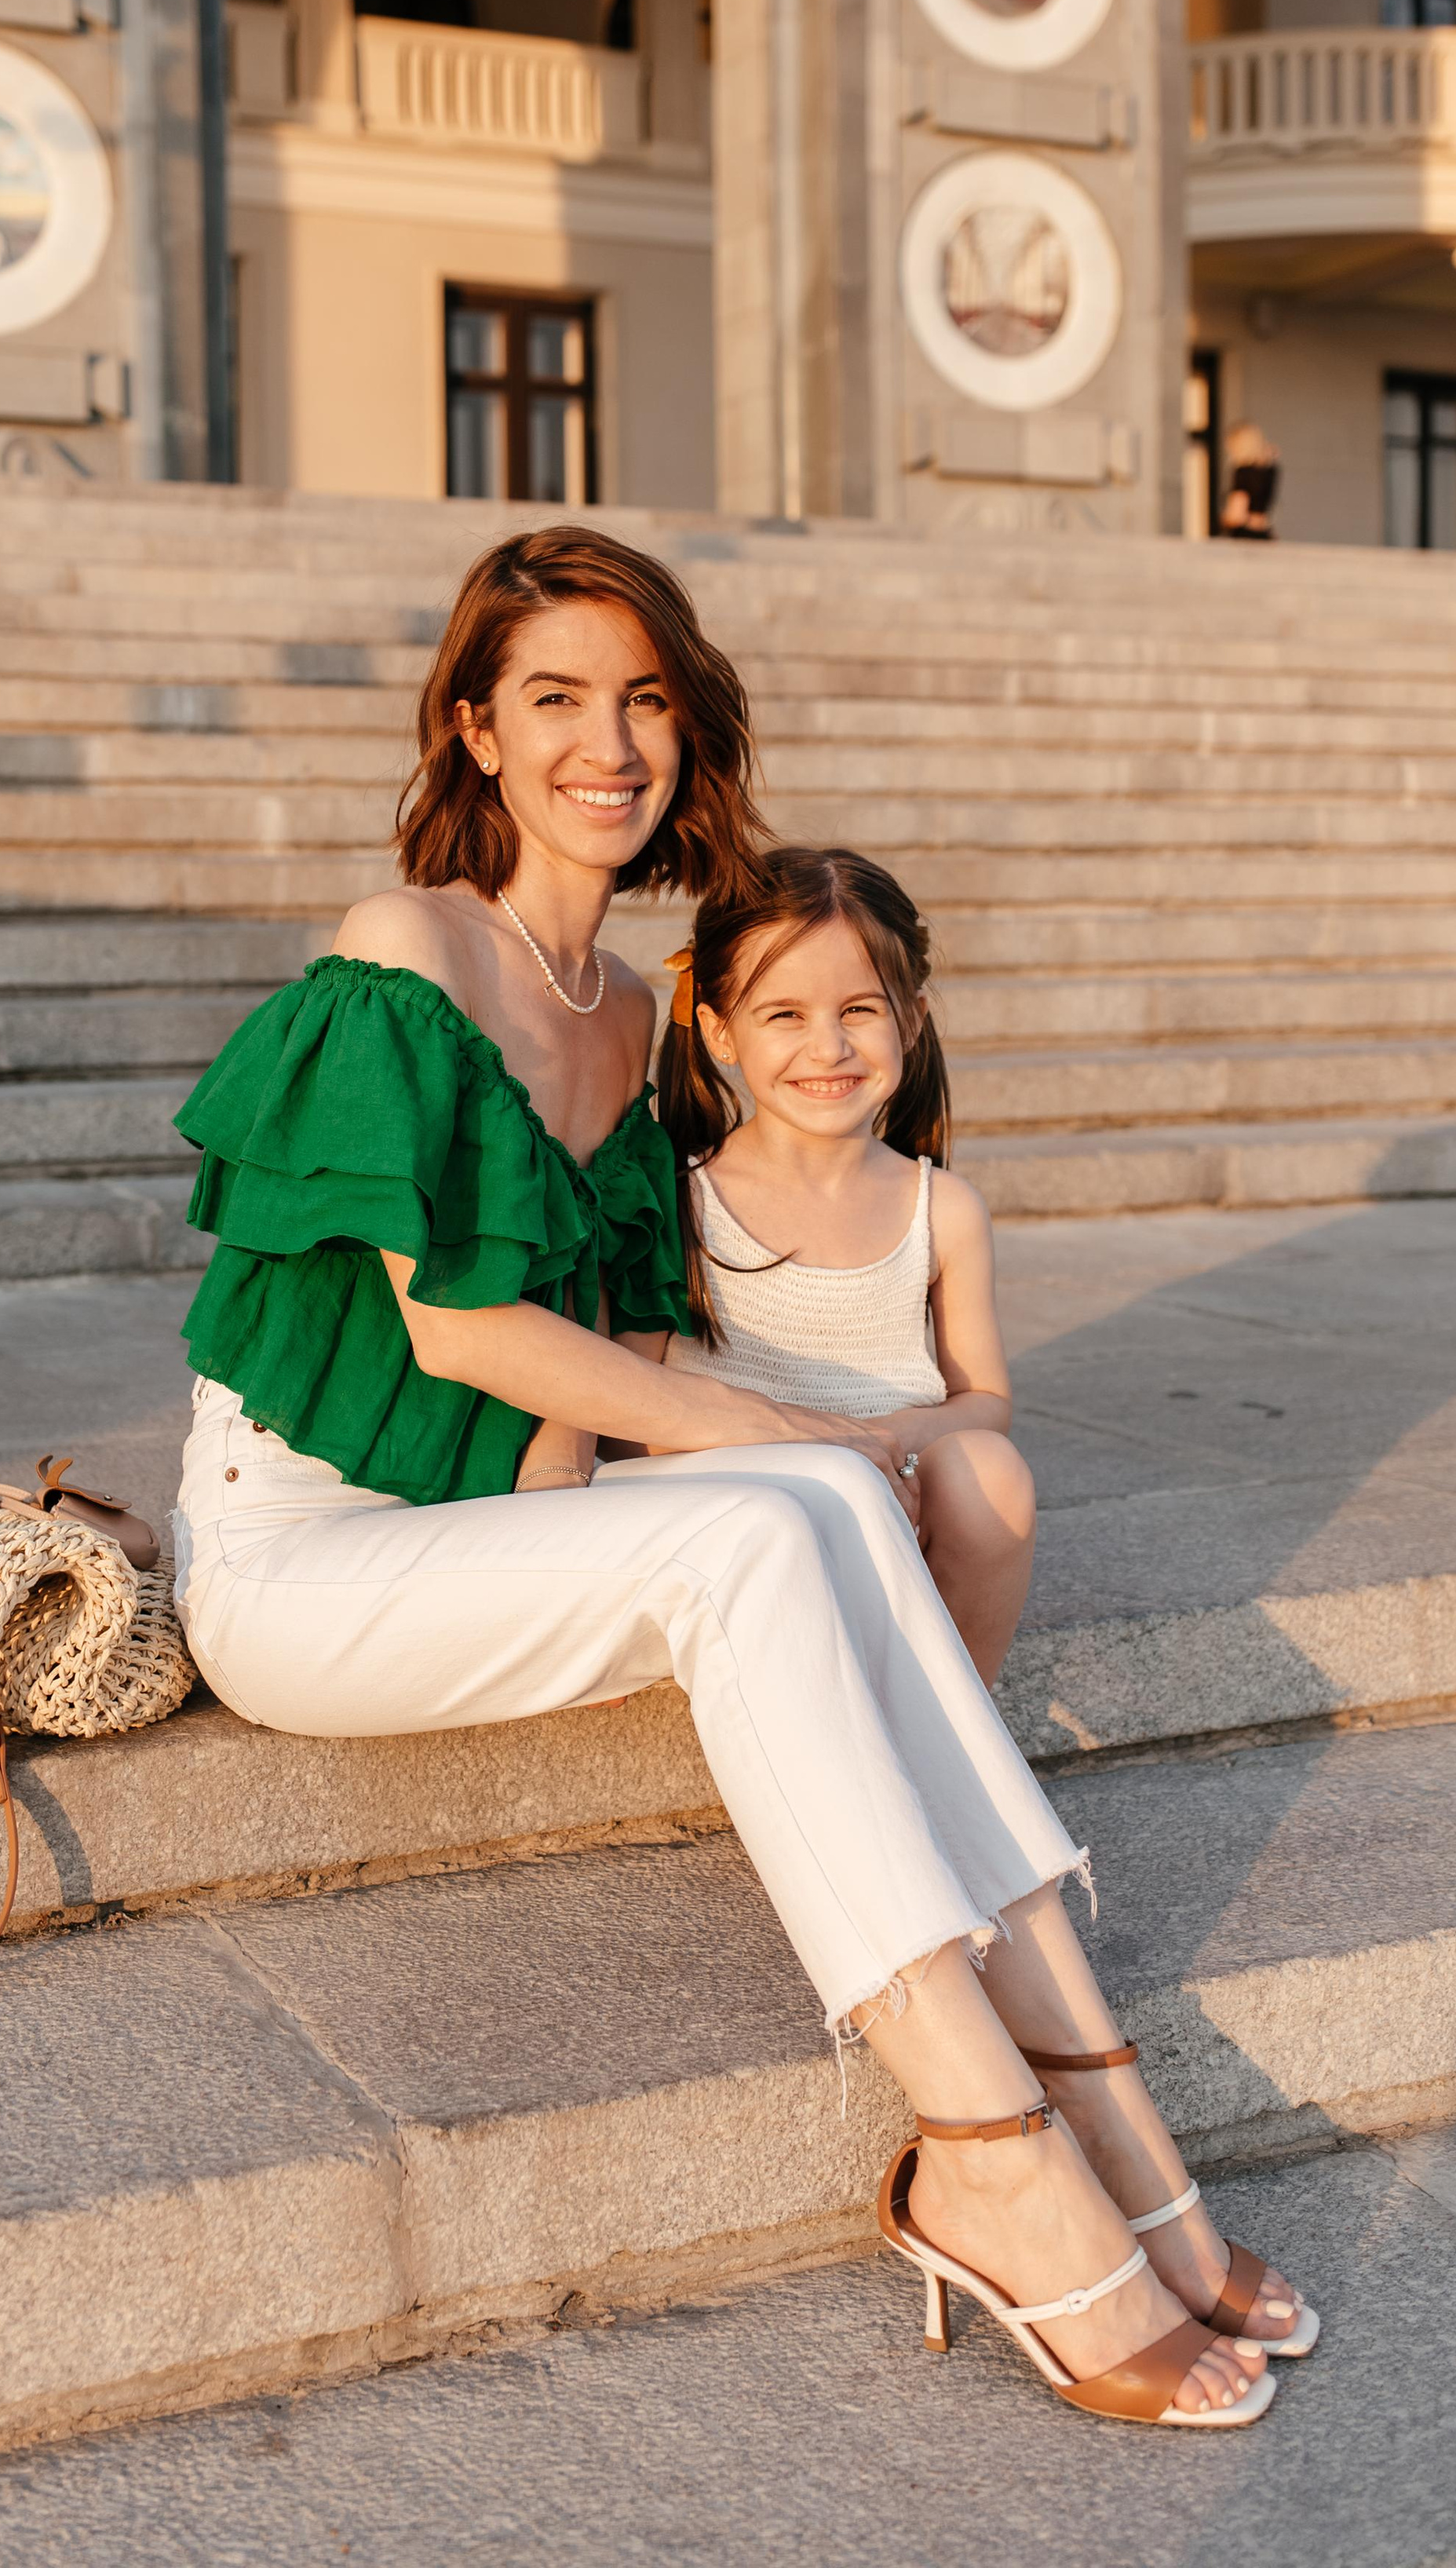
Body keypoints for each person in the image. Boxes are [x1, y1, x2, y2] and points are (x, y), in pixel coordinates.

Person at [170, 524, 1312, 2425]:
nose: (604, 742)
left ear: (685, 732)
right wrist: (808, 1445)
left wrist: (780, 1465)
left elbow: (627, 1359)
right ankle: (987, 2143)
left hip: (484, 1531)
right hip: (300, 1558)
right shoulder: (400, 957)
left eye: (641, 699)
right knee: (776, 1514)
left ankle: (1093, 2085)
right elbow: (460, 1332)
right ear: (469, 729)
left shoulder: (634, 1017)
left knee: (804, 1510)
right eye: (551, 699)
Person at [626, 844, 1034, 1689]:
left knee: (991, 1474)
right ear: (719, 1030)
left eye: (858, 1010)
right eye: (784, 1016)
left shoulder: (943, 1209)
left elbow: (983, 1402)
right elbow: (629, 1416)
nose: (829, 1047)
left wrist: (878, 1448)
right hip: (737, 1508)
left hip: (897, 1497)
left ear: (911, 1020)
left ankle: (961, 1714)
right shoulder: (676, 1198)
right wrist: (827, 1458)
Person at [1221, 420, 1281, 539]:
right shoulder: (1270, 471)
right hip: (1264, 532)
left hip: (1245, 535)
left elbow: (1237, 515)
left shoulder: (1243, 472)